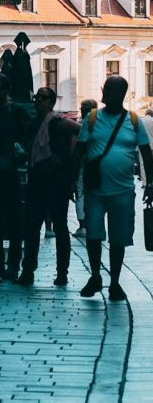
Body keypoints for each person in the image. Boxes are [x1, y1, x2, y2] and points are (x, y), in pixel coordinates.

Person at [74, 76, 153, 301]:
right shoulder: (91, 119)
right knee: (93, 235)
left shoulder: (134, 121)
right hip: (95, 190)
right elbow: (79, 151)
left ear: (122, 94)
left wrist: (149, 185)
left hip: (123, 191)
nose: (106, 92)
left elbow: (146, 153)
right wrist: (73, 181)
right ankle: (96, 275)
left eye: (111, 89)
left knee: (119, 239)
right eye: (106, 88)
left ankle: (115, 282)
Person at [17, 87, 80, 287]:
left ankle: (62, 272)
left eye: (42, 98)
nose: (37, 101)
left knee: (60, 227)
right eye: (36, 97)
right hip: (37, 180)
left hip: (56, 182)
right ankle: (28, 270)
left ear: (51, 102)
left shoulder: (57, 121)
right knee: (32, 228)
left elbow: (81, 132)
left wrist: (65, 160)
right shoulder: (34, 123)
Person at [0, 73, 29, 281]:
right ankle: (4, 265)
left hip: (11, 171)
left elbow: (27, 137)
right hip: (8, 169)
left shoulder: (16, 112)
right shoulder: (15, 111)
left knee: (14, 219)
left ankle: (12, 265)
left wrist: (21, 151)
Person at [74, 99, 98, 238]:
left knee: (80, 194)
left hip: (82, 164)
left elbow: (75, 148)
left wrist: (74, 169)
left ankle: (82, 226)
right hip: (97, 165)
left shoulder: (79, 125)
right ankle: (94, 224)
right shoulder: (101, 125)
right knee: (95, 195)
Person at [139, 108, 153, 187]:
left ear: (145, 114)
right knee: (150, 163)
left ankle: (144, 183)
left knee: (142, 163)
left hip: (142, 144)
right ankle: (150, 182)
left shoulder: (140, 120)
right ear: (152, 114)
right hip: (152, 144)